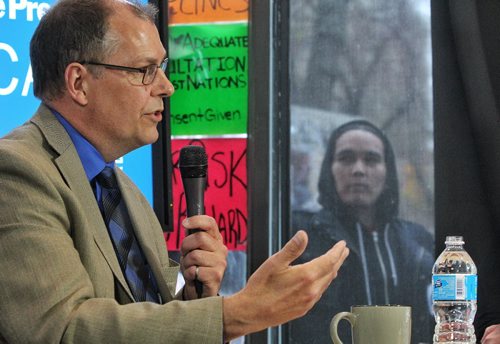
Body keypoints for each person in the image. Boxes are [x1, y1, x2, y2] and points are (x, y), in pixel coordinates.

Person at [0, 0, 349, 343]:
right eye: (145, 70)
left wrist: (195, 294)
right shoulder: (16, 172)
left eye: (162, 67)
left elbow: (145, 314)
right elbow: (63, 329)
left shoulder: (125, 192)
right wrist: (235, 313)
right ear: (78, 83)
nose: (167, 86)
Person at [289, 120, 434, 343]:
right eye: (346, 158)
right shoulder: (301, 238)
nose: (358, 170)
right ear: (330, 169)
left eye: (371, 159)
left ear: (388, 172)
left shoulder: (418, 242)